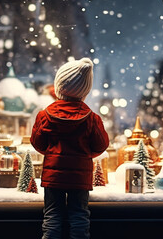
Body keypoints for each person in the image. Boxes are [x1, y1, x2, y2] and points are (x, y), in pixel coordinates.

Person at [30, 57, 109, 239]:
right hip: (80, 177)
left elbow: (38, 143)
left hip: (53, 177)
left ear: (59, 86)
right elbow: (101, 145)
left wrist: (52, 152)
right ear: (84, 91)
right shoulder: (91, 118)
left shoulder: (45, 115)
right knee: (80, 217)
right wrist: (86, 153)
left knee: (52, 217)